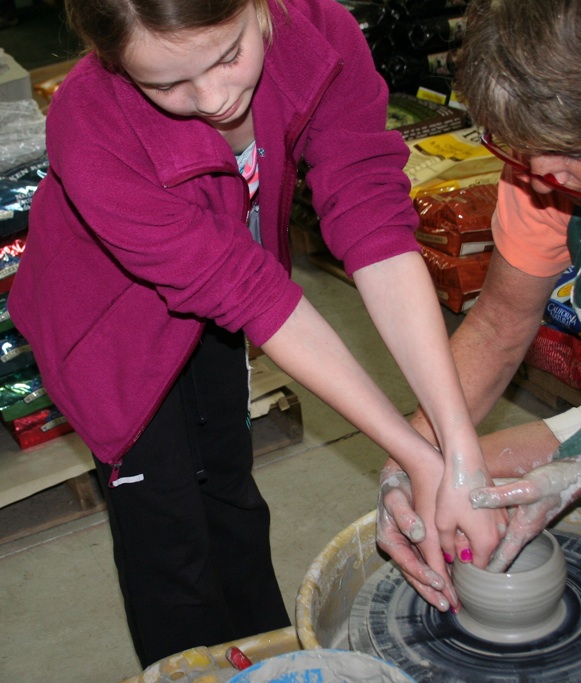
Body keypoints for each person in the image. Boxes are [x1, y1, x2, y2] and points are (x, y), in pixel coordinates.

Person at [8, 0, 506, 667]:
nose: (214, 98)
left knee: (231, 492)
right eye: (166, 84)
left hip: (220, 298)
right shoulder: (91, 123)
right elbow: (253, 296)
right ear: (113, 62)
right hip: (109, 332)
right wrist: (417, 459)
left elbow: (374, 228)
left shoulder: (318, 37)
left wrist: (456, 449)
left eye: (228, 56)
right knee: (168, 538)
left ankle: (271, 665)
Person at [377, 0, 581, 614]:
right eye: (526, 148)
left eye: (574, 149)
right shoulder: (544, 170)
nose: (543, 172)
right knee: (453, 486)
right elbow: (499, 326)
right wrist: (408, 458)